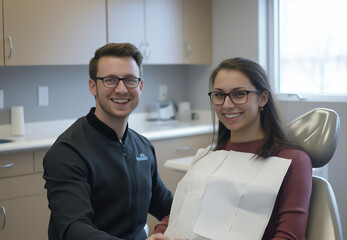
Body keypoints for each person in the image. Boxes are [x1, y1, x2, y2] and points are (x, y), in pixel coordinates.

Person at [147, 57, 312, 240]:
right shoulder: (209, 156)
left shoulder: (292, 160)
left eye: (239, 94)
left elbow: (290, 237)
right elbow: (182, 210)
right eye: (219, 95)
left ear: (263, 99)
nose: (227, 104)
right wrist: (159, 233)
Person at [43, 43, 173, 240]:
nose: (121, 89)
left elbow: (167, 205)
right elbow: (74, 229)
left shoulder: (143, 147)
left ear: (140, 86)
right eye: (110, 80)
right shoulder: (68, 152)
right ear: (93, 86)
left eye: (130, 80)